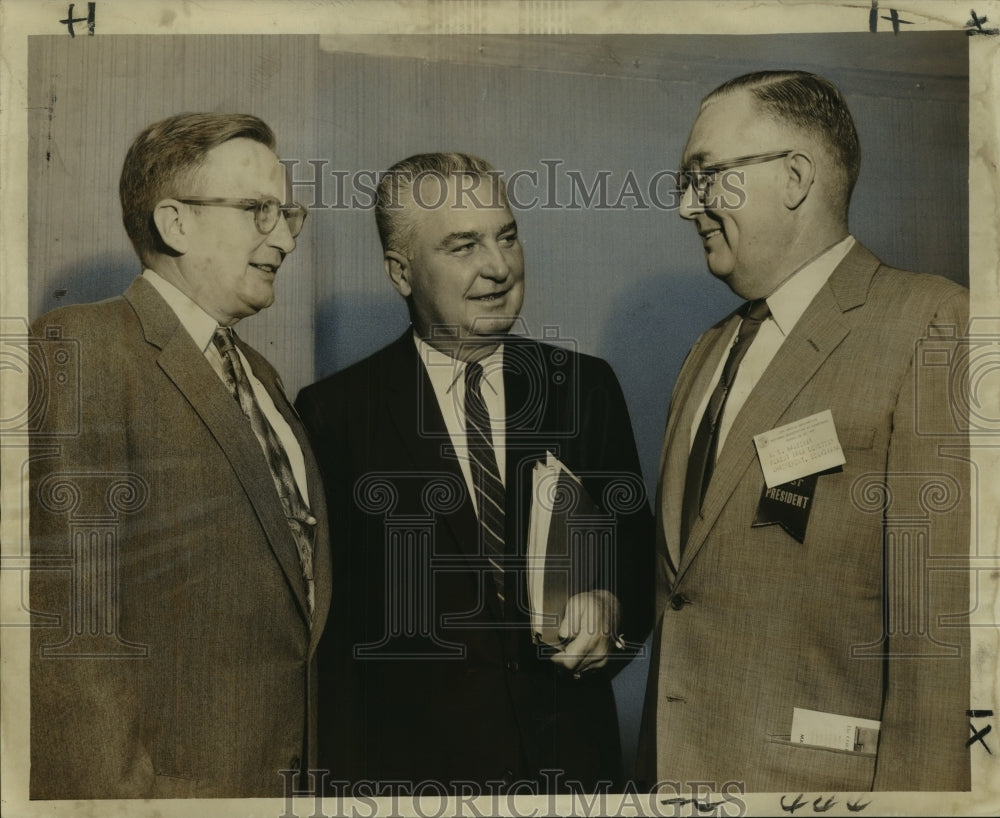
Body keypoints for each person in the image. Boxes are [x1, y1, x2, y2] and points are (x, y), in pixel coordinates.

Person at [636, 70, 971, 793]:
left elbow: (939, 644)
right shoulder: (705, 354)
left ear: (794, 177)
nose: (688, 205)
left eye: (707, 175)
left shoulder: (930, 325)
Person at [296, 152, 653, 793]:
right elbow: (334, 639)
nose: (499, 266)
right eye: (464, 246)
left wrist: (611, 606)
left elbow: (636, 557)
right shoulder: (334, 415)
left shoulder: (584, 389)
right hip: (412, 783)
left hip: (570, 774)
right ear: (401, 272)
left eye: (507, 236)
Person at [29, 112, 331, 799]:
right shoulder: (80, 348)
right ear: (175, 223)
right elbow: (75, 631)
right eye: (258, 211)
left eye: (288, 214)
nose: (283, 237)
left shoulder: (262, 376)